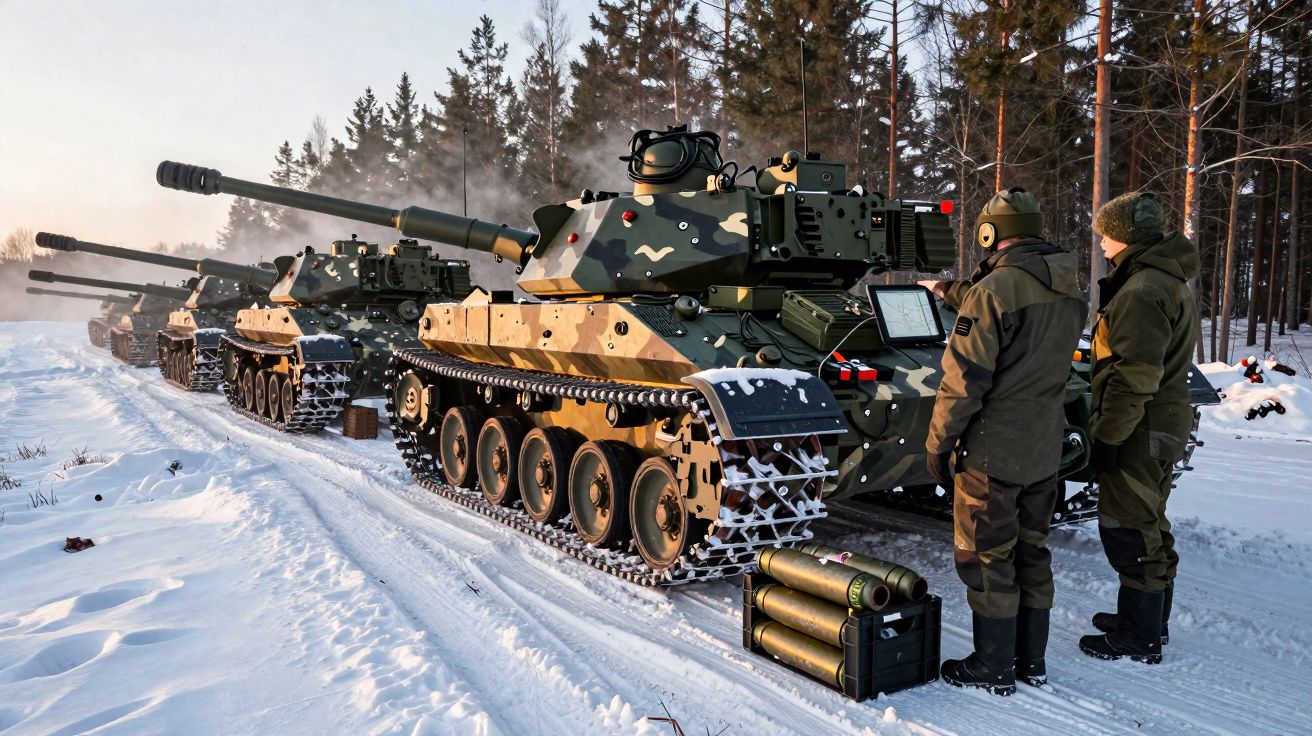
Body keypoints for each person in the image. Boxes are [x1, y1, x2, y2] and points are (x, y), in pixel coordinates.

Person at [921, 187, 1086, 696]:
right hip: (1043, 445)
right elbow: (1010, 314)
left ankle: (992, 667)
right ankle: (1029, 661)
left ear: (989, 232)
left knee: (986, 558)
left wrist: (938, 443)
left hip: (992, 452)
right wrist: (949, 291)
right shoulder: (1066, 283)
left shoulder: (994, 291)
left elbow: (962, 379)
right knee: (1032, 551)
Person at [1079, 191, 1199, 665]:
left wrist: (1108, 437)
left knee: (1129, 529)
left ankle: (1138, 636)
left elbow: (1133, 377)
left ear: (1126, 237)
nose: (1102, 242)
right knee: (1149, 522)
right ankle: (1149, 622)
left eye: (1106, 234)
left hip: (1140, 427)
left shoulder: (1142, 291)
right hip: (1159, 421)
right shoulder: (1161, 281)